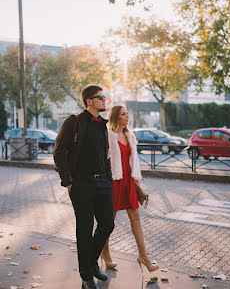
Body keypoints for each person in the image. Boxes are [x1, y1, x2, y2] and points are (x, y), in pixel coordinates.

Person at [53, 84, 114, 289]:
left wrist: (108, 176)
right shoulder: (74, 122)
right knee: (85, 229)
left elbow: (104, 154)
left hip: (102, 182)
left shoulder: (102, 125)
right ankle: (86, 275)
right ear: (90, 101)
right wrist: (68, 181)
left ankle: (91, 263)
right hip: (81, 184)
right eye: (101, 97)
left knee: (107, 224)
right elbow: (59, 151)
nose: (105, 100)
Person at [101, 104, 159, 273]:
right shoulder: (108, 135)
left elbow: (134, 162)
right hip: (113, 182)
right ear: (116, 117)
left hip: (129, 182)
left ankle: (144, 256)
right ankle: (105, 253)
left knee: (136, 219)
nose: (128, 117)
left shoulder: (130, 135)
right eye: (124, 114)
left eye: (127, 114)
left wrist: (137, 182)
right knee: (107, 223)